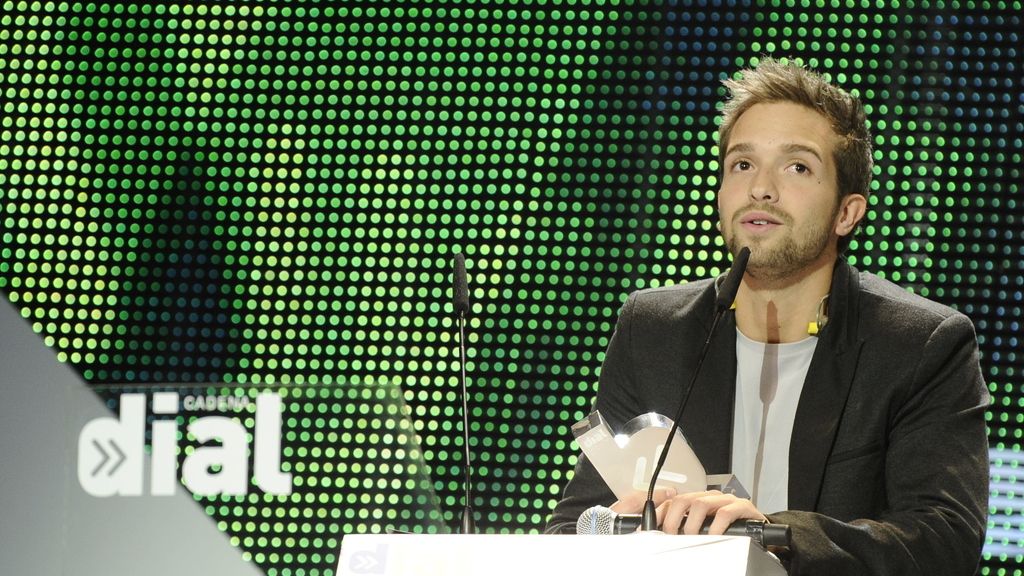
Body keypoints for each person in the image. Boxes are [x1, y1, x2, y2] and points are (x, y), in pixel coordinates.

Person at [546, 57, 990, 575]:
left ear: (847, 212)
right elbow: (573, 527)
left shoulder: (920, 344)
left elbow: (943, 539)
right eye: (742, 164)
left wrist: (770, 535)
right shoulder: (654, 330)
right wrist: (611, 527)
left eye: (797, 167)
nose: (761, 188)